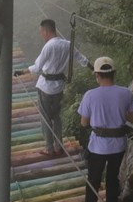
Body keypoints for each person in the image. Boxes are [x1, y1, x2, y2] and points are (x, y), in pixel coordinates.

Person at [77, 57, 133, 202]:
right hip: (118, 145)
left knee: (93, 181)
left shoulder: (90, 95)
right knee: (112, 180)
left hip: (97, 146)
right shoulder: (125, 93)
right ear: (114, 74)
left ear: (97, 75)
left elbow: (84, 123)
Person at [14, 19, 90, 157]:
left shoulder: (49, 46)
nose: (41, 35)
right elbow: (82, 59)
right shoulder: (68, 44)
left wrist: (22, 72)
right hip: (59, 87)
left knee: (46, 118)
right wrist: (94, 68)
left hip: (45, 87)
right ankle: (58, 147)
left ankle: (49, 148)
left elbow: (37, 67)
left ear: (46, 31)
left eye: (41, 32)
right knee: (56, 117)